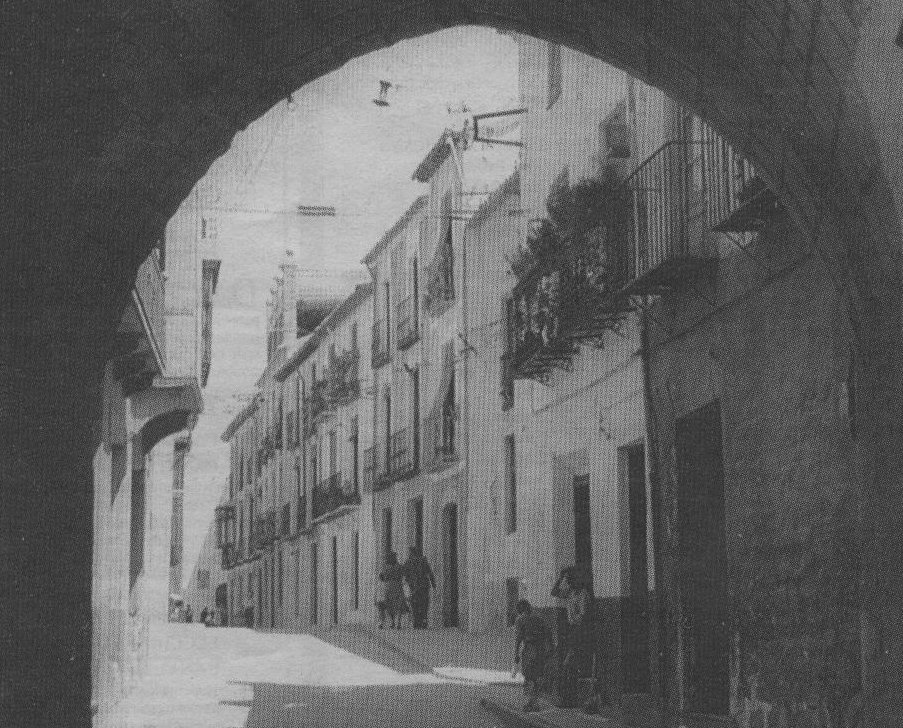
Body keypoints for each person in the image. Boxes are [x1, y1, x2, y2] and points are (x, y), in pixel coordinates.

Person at [551, 566, 597, 709]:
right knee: (568, 665)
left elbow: (583, 617)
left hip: (580, 631)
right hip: (573, 631)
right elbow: (554, 592)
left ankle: (568, 699)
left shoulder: (582, 594)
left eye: (568, 579)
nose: (566, 582)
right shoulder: (570, 594)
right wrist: (561, 575)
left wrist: (573, 626)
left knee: (568, 664)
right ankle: (568, 699)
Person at [512, 599, 550, 712]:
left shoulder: (520, 620)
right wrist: (550, 649)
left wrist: (516, 654)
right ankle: (535, 702)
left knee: (529, 675)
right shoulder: (540, 618)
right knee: (538, 674)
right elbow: (548, 633)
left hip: (530, 648)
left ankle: (531, 702)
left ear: (519, 610)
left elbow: (518, 638)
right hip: (541, 648)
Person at [403, 546, 436, 629]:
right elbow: (430, 573)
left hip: (414, 586)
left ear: (412, 553)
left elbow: (404, 573)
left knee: (414, 604)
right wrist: (433, 583)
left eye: (410, 552)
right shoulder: (423, 561)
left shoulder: (408, 562)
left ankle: (417, 622)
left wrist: (407, 582)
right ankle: (424, 620)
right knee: (424, 603)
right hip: (424, 585)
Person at [378, 552, 406, 629]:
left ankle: (393, 622)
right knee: (399, 604)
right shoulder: (399, 566)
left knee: (390, 605)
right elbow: (403, 575)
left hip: (388, 587)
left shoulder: (386, 567)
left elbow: (381, 577)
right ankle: (398, 623)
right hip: (398, 586)